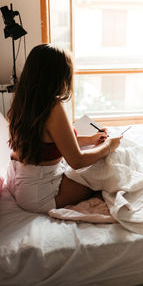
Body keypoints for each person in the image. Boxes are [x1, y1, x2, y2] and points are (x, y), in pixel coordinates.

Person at [6, 44, 122, 213]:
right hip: (39, 194)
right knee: (109, 167)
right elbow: (77, 161)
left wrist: (90, 140)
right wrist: (109, 146)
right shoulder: (52, 107)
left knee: (104, 161)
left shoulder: (22, 101)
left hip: (18, 183)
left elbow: (47, 142)